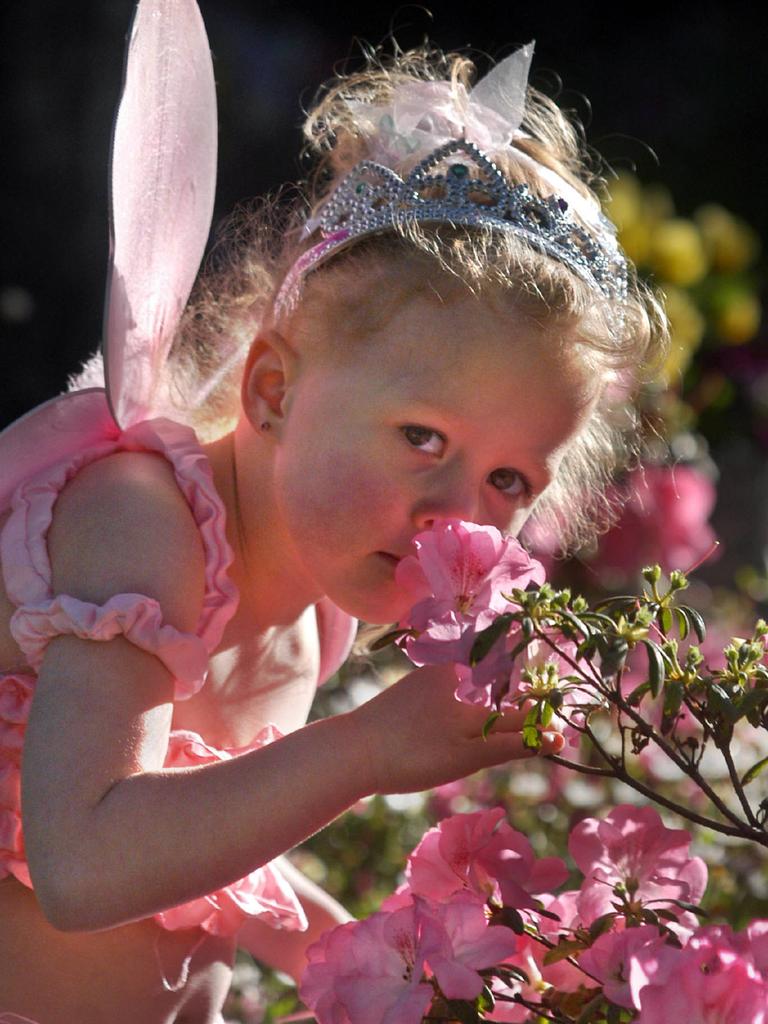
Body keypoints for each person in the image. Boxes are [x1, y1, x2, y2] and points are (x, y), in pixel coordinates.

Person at [0, 2, 666, 1021]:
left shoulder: (316, 613)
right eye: (422, 438)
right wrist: (369, 747)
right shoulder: (139, 521)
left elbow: (202, 855)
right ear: (273, 389)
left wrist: (413, 973)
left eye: (508, 482)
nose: (456, 515)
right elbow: (83, 862)